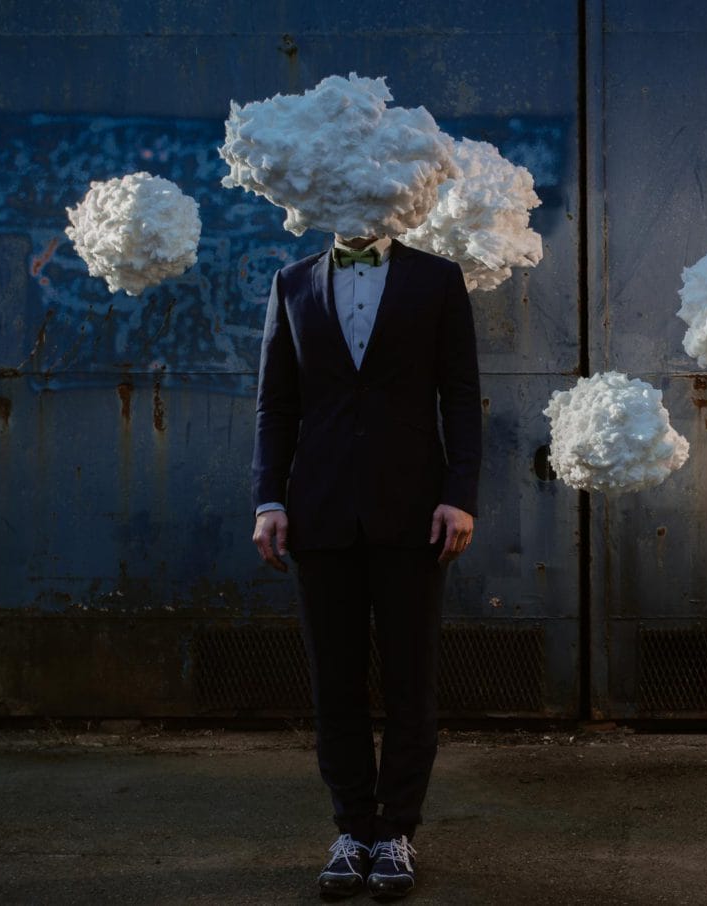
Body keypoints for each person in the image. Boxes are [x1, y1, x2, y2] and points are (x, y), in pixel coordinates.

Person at [251, 232, 482, 896]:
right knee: (335, 684)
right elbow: (276, 404)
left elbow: (460, 397)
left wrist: (458, 496)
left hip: (414, 510)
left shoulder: (438, 279)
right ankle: (352, 831)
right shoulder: (292, 281)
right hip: (318, 511)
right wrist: (268, 497)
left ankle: (397, 834)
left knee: (412, 682)